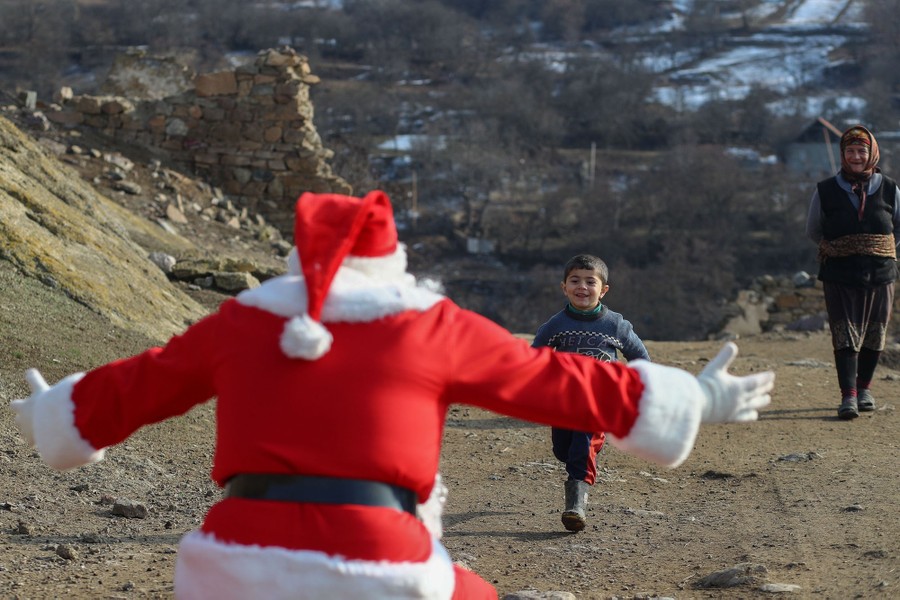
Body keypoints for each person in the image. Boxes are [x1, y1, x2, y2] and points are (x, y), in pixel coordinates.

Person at [11, 190, 774, 600]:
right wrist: (694, 401)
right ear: (392, 265)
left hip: (234, 559)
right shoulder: (428, 326)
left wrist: (55, 413)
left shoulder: (239, 324)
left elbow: (138, 384)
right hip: (378, 554)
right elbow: (557, 383)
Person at [532, 254, 650, 532]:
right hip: (564, 401)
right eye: (575, 281)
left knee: (581, 448)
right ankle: (580, 460)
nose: (582, 287)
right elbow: (535, 357)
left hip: (598, 401)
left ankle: (576, 507)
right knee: (563, 450)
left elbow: (639, 356)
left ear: (603, 289)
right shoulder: (555, 325)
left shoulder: (616, 325)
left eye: (590, 281)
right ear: (564, 287)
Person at [806, 124, 900, 420]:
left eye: (862, 150)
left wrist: (879, 248)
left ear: (872, 153)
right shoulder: (826, 190)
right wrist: (841, 248)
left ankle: (865, 389)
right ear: (842, 154)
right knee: (844, 333)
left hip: (881, 272)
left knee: (876, 332)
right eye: (850, 151)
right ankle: (848, 396)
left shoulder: (889, 188)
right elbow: (813, 230)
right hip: (839, 273)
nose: (856, 156)